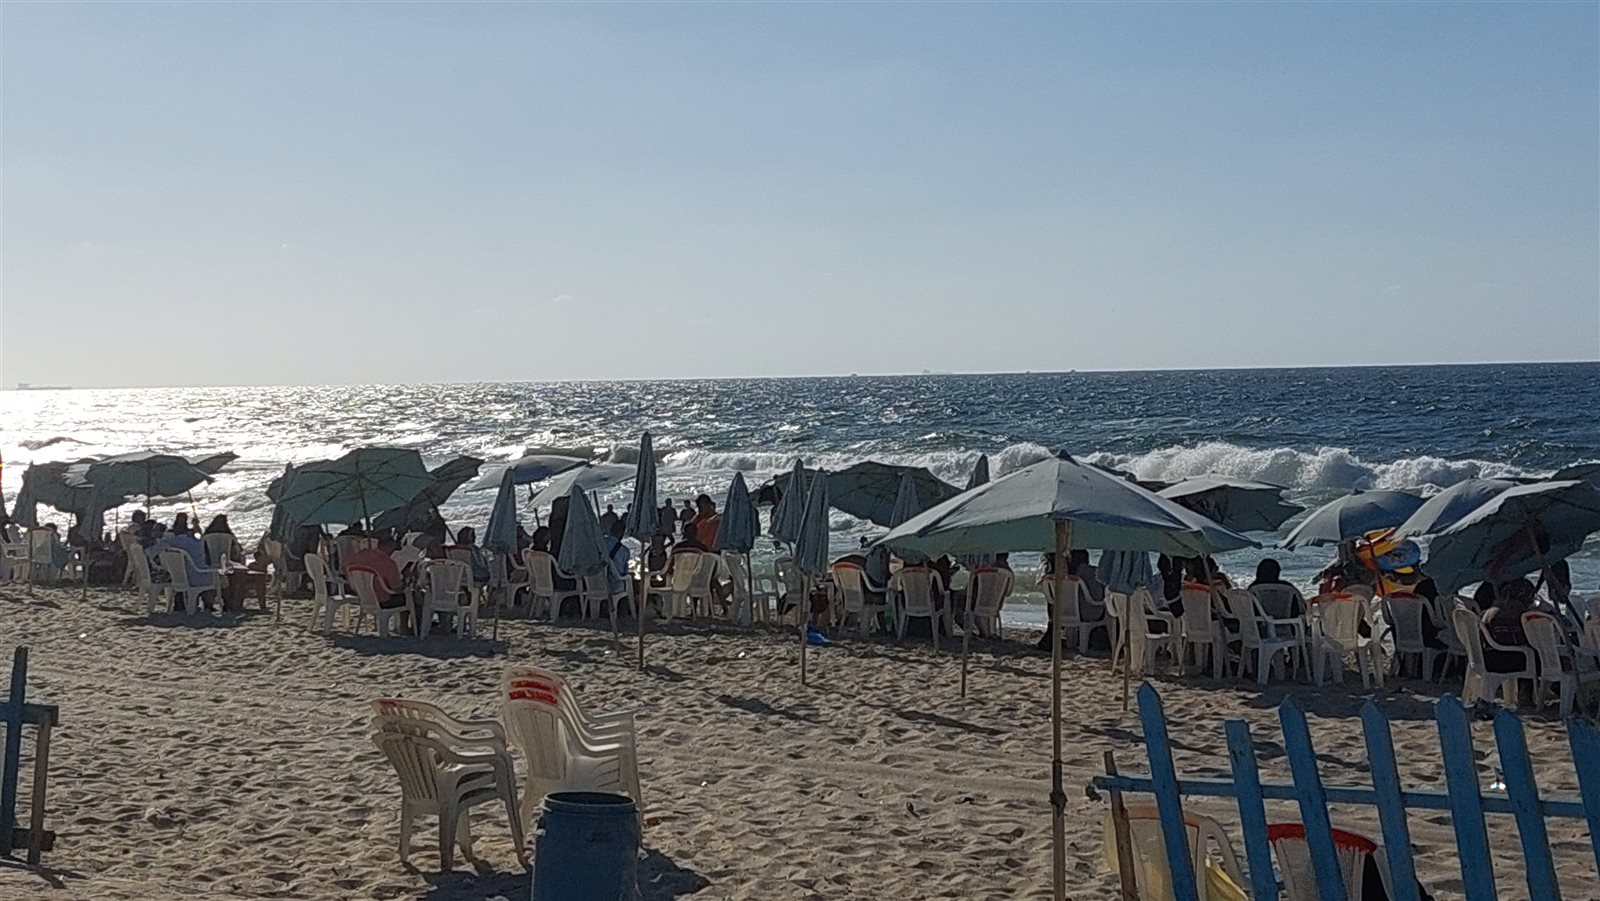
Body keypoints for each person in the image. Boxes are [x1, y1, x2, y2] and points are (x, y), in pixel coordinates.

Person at [346, 536, 412, 633]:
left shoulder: (356, 558)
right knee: (410, 597)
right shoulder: (387, 562)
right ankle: (404, 627)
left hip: (363, 597)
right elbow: (396, 587)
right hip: (383, 600)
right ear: (388, 547)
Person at [1480, 579, 1537, 674]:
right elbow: (1518, 641)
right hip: (1502, 659)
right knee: (1544, 657)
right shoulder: (1514, 610)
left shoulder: (1496, 605)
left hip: (1487, 655)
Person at [603, 519, 631, 615]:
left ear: (610, 530)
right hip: (613, 586)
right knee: (629, 580)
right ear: (622, 533)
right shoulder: (624, 550)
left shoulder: (600, 544)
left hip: (595, 585)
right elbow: (623, 572)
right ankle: (625, 611)